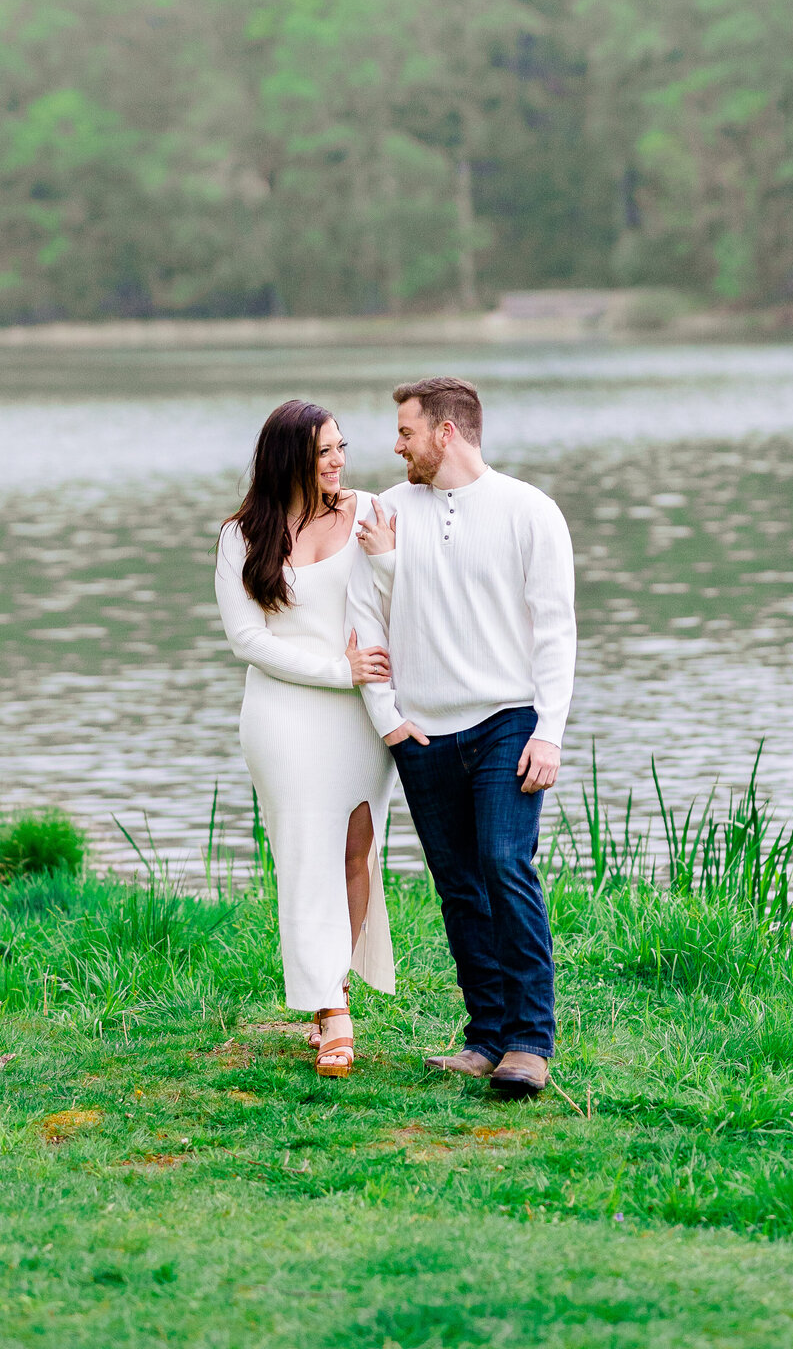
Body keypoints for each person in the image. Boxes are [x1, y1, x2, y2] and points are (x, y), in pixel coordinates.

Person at [347, 375, 576, 1099]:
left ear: (446, 433)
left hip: (506, 718)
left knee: (505, 865)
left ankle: (529, 1044)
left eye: (407, 431)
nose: (397, 444)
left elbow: (556, 632)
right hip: (424, 733)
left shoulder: (528, 511)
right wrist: (389, 720)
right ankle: (484, 1039)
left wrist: (550, 732)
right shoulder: (385, 512)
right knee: (458, 887)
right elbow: (366, 622)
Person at [215, 399, 396, 1078]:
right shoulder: (242, 535)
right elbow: (247, 641)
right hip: (285, 717)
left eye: (342, 447)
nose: (339, 461)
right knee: (303, 856)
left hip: (359, 717)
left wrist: (389, 563)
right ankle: (331, 1011)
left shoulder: (372, 513)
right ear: (290, 457)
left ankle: (334, 989)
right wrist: (335, 670)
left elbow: (403, 603)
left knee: (356, 849)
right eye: (325, 451)